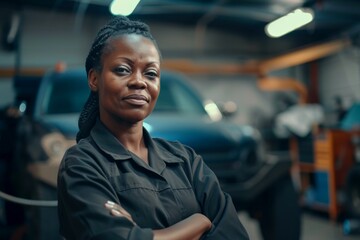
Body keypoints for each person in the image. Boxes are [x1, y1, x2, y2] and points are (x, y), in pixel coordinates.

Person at [57, 16, 249, 240]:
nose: (139, 81)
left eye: (150, 73)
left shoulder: (186, 160)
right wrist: (200, 222)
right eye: (122, 70)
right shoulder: (82, 164)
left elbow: (235, 234)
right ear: (94, 79)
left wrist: (148, 235)